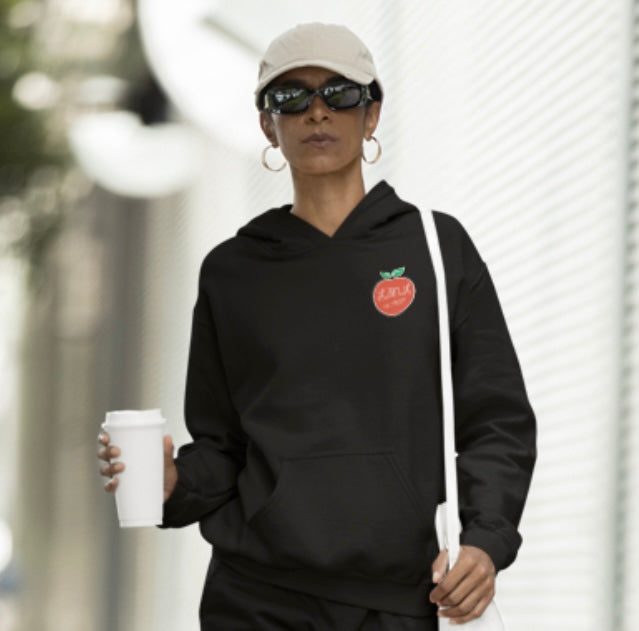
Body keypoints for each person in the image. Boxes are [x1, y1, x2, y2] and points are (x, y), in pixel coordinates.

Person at [98, 22, 537, 631]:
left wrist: (485, 542)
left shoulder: (436, 248)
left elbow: (497, 420)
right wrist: (174, 483)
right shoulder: (233, 271)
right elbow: (226, 447)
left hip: (397, 601)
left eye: (340, 93)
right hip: (256, 598)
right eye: (291, 97)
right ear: (267, 125)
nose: (317, 111)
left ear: (372, 113)